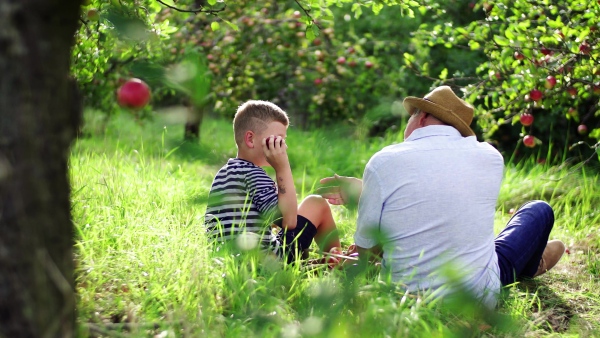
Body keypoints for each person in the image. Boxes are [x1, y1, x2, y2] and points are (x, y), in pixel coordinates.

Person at [319, 86, 565, 308]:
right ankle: (532, 266)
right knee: (538, 210)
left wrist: (365, 192)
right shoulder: (491, 157)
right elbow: (438, 192)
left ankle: (531, 265)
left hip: (403, 299)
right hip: (476, 297)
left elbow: (366, 252)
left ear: (422, 116)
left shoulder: (384, 161)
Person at [204, 100, 341, 263]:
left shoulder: (225, 173)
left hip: (231, 259)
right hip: (270, 261)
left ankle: (319, 263)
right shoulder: (253, 174)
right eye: (279, 140)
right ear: (250, 139)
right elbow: (289, 222)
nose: (284, 148)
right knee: (316, 203)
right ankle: (337, 262)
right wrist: (282, 168)